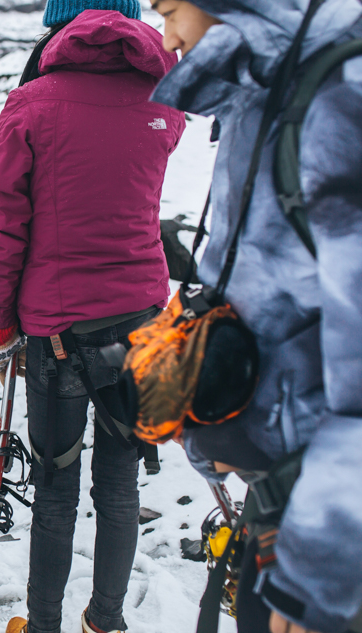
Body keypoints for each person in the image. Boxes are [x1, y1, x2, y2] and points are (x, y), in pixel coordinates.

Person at [149, 2, 362, 633]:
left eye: (170, 11)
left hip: (328, 531)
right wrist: (214, 417)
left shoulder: (338, 102)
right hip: (280, 495)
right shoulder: (266, 99)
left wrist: (315, 578)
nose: (166, 37)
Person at [0, 2, 185, 632]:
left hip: (57, 326)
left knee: (55, 486)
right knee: (121, 483)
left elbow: (4, 225)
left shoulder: (33, 103)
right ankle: (106, 620)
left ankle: (44, 625)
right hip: (145, 316)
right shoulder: (163, 101)